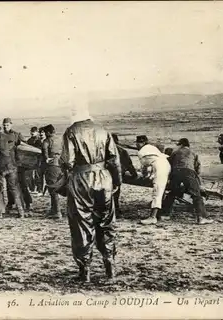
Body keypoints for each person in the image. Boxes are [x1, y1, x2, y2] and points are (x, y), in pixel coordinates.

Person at [60, 102, 122, 282]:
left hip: (81, 180)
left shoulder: (71, 131)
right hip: (105, 179)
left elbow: (67, 161)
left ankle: (85, 272)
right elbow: (114, 160)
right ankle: (110, 267)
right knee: (106, 223)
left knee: (82, 225)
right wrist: (116, 182)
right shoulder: (103, 130)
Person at [162, 138, 213, 225]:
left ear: (181, 144)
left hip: (175, 172)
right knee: (196, 195)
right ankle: (201, 218)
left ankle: (165, 215)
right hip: (188, 172)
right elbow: (198, 168)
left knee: (173, 193)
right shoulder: (193, 153)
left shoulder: (175, 152)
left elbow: (169, 163)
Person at [0, 118, 26, 218]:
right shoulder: (13, 136)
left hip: (0, 168)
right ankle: (21, 212)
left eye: (7, 125)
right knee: (14, 188)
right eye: (4, 125)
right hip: (12, 166)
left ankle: (0, 212)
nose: (5, 126)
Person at [135, 135, 171, 225]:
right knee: (161, 191)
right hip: (165, 165)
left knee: (157, 191)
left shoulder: (141, 152)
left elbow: (144, 167)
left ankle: (152, 217)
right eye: (137, 142)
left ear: (144, 143)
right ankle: (158, 214)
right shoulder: (152, 148)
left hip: (160, 167)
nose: (137, 145)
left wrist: (144, 176)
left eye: (139, 143)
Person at [111, 133, 138, 217]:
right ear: (117, 141)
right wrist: (134, 174)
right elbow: (129, 164)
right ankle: (116, 211)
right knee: (116, 193)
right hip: (117, 174)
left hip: (105, 174)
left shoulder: (103, 149)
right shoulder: (122, 150)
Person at [42, 124, 63, 219]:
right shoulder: (60, 139)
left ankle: (57, 211)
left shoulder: (46, 141)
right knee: (57, 187)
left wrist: (46, 159)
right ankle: (54, 209)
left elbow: (45, 155)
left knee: (52, 188)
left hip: (51, 166)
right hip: (60, 165)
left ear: (48, 132)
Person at [26, 127, 41, 193]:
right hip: (30, 159)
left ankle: (39, 189)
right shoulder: (29, 140)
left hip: (38, 159)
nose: (32, 132)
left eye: (34, 131)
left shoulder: (40, 140)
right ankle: (32, 188)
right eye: (31, 131)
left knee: (38, 175)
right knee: (29, 174)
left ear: (37, 132)